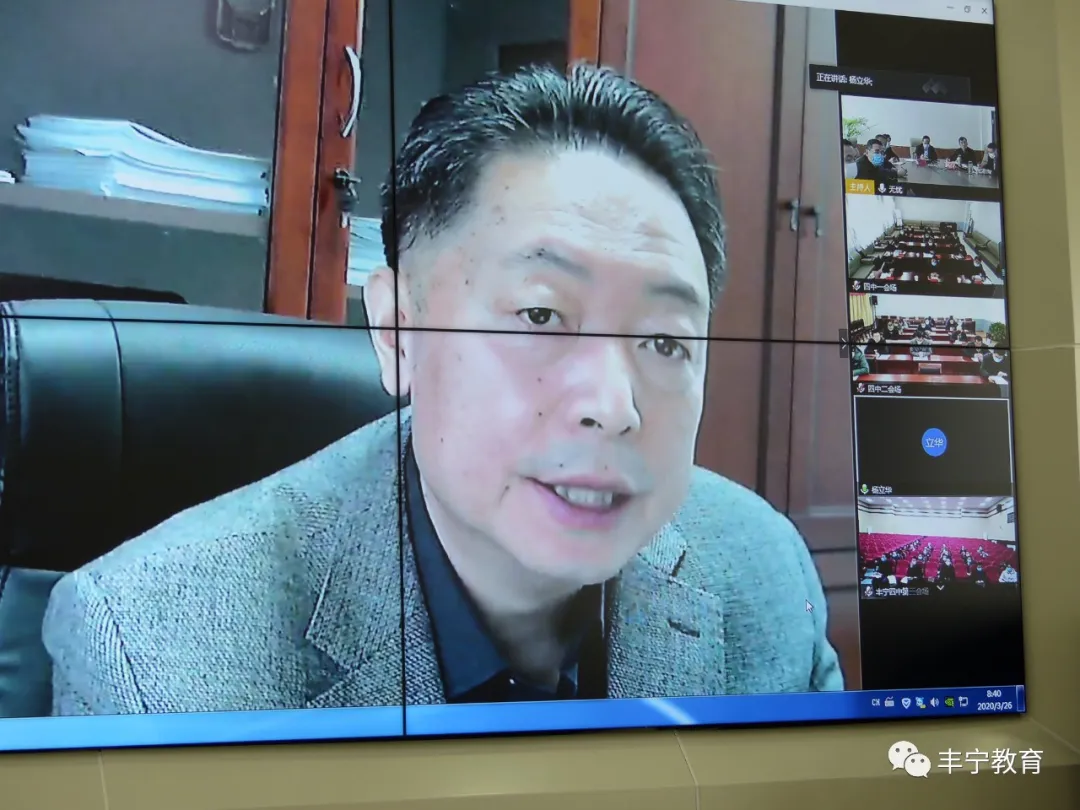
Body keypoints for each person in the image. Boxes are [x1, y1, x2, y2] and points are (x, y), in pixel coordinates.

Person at [41, 64, 843, 716]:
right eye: (541, 316)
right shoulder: (159, 655)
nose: (613, 405)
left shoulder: (760, 573)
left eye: (665, 341)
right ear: (397, 331)